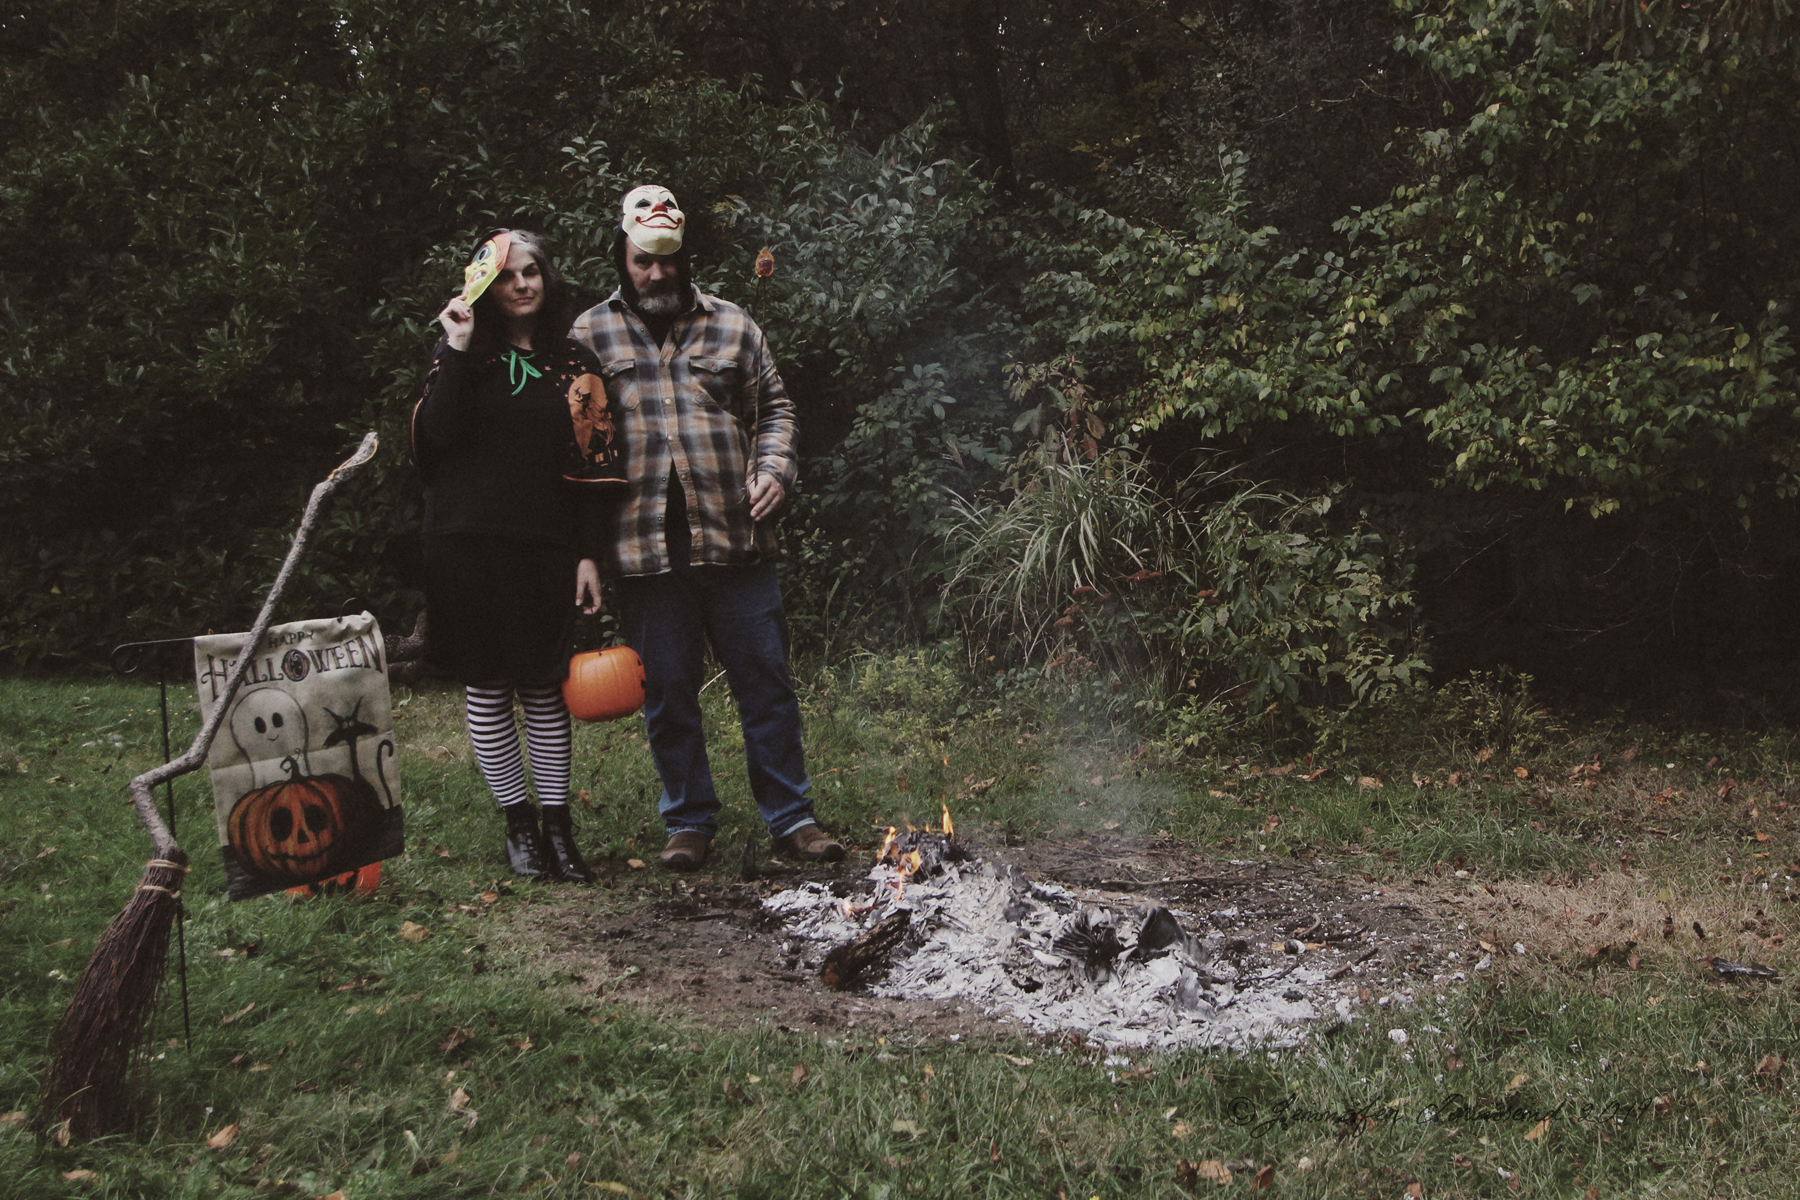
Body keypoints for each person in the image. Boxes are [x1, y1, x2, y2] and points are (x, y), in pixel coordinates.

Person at [571, 185, 843, 870]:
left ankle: (792, 818)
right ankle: (688, 822)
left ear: (684, 257)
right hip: (645, 551)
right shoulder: (587, 337)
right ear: (622, 257)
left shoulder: (734, 325)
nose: (656, 273)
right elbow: (575, 448)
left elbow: (775, 410)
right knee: (668, 692)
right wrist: (582, 548)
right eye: (643, 261)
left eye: (667, 259)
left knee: (767, 685)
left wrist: (774, 470)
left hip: (735, 538)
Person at [411, 229, 626, 881]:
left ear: (546, 278)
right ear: (486, 286)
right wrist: (455, 346)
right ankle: (520, 827)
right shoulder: (461, 354)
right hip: (465, 544)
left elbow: (596, 464)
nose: (522, 284)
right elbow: (432, 442)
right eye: (507, 276)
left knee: (542, 684)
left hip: (545, 546)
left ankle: (558, 828)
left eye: (531, 271)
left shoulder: (575, 362)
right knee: (487, 683)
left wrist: (589, 555)